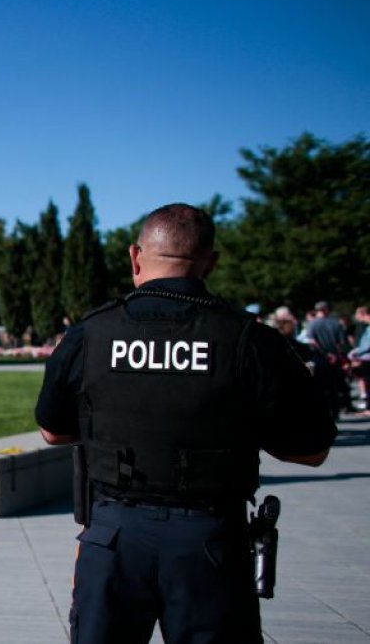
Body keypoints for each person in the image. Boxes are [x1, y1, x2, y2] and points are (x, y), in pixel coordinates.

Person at [35, 204, 336, 644]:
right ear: (211, 263)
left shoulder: (90, 334)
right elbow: (311, 449)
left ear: (135, 258)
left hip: (113, 537)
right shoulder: (249, 338)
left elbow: (52, 430)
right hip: (210, 542)